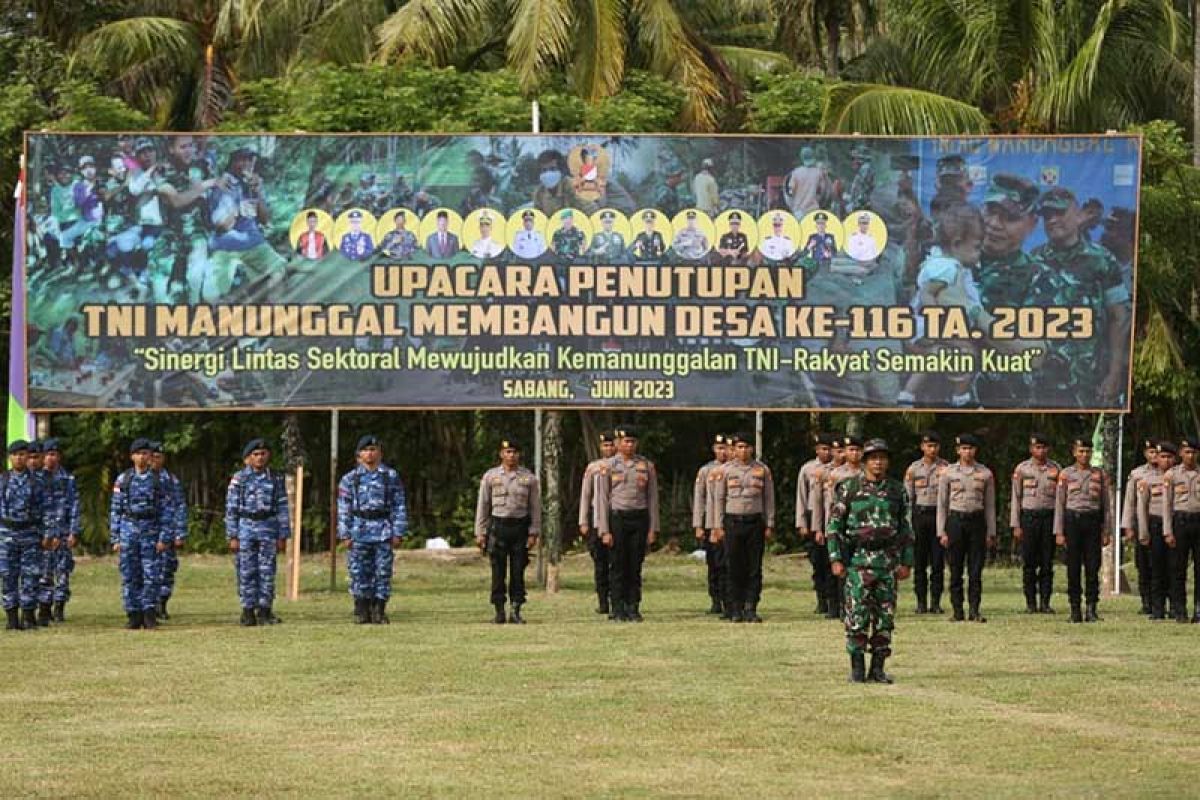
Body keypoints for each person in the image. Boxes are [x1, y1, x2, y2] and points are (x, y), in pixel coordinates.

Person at [1032, 186, 1132, 406]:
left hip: (1089, 380)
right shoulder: (1033, 261)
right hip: (1040, 382)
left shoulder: (1102, 260)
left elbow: (1119, 317)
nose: (1053, 220)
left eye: (1060, 213)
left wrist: (1114, 373)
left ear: (1078, 216)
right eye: (1047, 215)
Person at [827, 438, 912, 684]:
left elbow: (906, 529)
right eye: (873, 458)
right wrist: (835, 558)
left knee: (885, 618)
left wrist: (906, 562)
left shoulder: (897, 490)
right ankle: (856, 668)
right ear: (864, 461)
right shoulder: (849, 488)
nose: (878, 462)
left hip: (887, 562)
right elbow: (834, 527)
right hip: (858, 560)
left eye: (882, 458)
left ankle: (878, 668)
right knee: (857, 615)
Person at [898, 203, 986, 408]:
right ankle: (960, 398)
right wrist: (937, 321)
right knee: (967, 353)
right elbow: (927, 292)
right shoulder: (948, 268)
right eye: (976, 247)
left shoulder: (948, 264)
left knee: (936, 357)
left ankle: (907, 395)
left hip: (939, 325)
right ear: (956, 244)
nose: (979, 253)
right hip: (935, 325)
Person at [337, 435, 408, 624]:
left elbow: (399, 505)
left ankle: (379, 609)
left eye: (373, 449)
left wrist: (398, 531)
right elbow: (344, 507)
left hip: (383, 529)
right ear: (359, 454)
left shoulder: (390, 476)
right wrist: (344, 533)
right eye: (366, 450)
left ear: (380, 453)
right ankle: (361, 609)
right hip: (359, 529)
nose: (370, 453)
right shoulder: (350, 479)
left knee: (382, 571)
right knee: (358, 571)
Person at [594, 426, 659, 622]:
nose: (628, 445)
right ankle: (617, 607)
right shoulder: (608, 467)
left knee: (635, 565)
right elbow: (602, 499)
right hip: (617, 519)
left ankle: (633, 606)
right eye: (624, 441)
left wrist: (653, 528)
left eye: (632, 441)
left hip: (639, 519)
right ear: (617, 444)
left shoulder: (646, 466)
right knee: (617, 565)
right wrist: (604, 529)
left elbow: (653, 498)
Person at [109, 438, 175, 630]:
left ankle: (149, 612)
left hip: (151, 530)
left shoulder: (160, 479)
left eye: (146, 453)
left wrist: (164, 537)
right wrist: (116, 538)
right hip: (129, 530)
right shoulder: (124, 479)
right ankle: (133, 613)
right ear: (132, 457)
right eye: (138, 453)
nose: (142, 457)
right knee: (130, 574)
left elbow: (167, 509)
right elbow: (116, 510)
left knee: (151, 574)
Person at [709, 433, 775, 623]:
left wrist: (769, 523)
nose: (743, 450)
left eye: (746, 447)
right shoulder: (725, 470)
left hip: (755, 523)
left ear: (752, 449)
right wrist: (717, 526)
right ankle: (735, 607)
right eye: (739, 447)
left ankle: (750, 606)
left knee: (754, 567)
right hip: (732, 522)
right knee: (733, 566)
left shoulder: (762, 470)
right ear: (734, 449)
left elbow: (769, 499)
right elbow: (719, 499)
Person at [224, 438, 290, 627]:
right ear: (248, 458)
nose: (260, 458)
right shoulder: (240, 479)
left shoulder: (275, 478)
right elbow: (231, 508)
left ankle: (265, 610)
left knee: (267, 571)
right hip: (246, 528)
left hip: (268, 528)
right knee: (246, 571)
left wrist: (283, 534)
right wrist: (232, 535)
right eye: (255, 455)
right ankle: (247, 611)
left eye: (263, 454)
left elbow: (282, 507)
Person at [474, 440, 540, 624]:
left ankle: (516, 610)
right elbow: (483, 506)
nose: (511, 455)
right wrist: (480, 532)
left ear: (519, 455)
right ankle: (499, 610)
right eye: (508, 452)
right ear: (501, 454)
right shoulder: (490, 477)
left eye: (514, 452)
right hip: (498, 527)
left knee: (518, 571)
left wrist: (534, 532)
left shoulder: (529, 478)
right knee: (498, 571)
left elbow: (535, 507)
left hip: (520, 528)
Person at [207, 147, 287, 298]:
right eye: (242, 160)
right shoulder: (224, 184)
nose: (246, 164)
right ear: (232, 162)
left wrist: (257, 192)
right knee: (220, 293)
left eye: (249, 160)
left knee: (279, 270)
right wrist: (238, 210)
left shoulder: (253, 182)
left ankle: (270, 312)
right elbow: (221, 226)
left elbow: (265, 219)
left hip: (253, 242)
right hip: (227, 246)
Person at [936, 434, 996, 623]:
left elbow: (990, 505)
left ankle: (974, 610)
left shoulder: (985, 473)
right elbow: (942, 504)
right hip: (955, 522)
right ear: (957, 450)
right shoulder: (947, 473)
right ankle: (957, 611)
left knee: (975, 570)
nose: (967, 452)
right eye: (963, 448)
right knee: (955, 569)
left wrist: (991, 531)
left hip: (977, 522)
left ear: (975, 450)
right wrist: (941, 531)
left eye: (970, 448)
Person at [1053, 437, 1113, 623]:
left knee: (1092, 567)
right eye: (1081, 451)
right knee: (1073, 568)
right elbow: (1059, 504)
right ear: (1074, 452)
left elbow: (1106, 505)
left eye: (1087, 451)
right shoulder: (1065, 474)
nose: (1084, 455)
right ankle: (1074, 609)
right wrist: (1059, 532)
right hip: (1072, 521)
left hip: (1093, 522)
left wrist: (1107, 531)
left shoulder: (1100, 475)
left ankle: (1091, 608)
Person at [1011, 434, 1062, 614]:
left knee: (1047, 563)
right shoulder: (1022, 469)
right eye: (1037, 447)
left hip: (1048, 518)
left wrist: (1059, 527)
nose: (1041, 451)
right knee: (1029, 563)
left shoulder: (1056, 469)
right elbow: (1016, 498)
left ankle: (1045, 602)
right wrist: (1016, 525)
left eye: (1044, 447)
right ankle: (1030, 603)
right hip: (1029, 519)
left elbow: (1060, 501)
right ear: (1031, 449)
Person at [1, 441, 47, 631]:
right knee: (8, 575)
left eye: (23, 454)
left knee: (30, 575)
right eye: (15, 455)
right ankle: (12, 617)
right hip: (7, 534)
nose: (19, 458)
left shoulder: (37, 482)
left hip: (30, 533)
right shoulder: (3, 480)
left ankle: (28, 615)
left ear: (28, 457)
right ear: (10, 457)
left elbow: (46, 510)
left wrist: (47, 533)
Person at [818, 436, 865, 618]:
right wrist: (827, 528)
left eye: (857, 450)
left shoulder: (866, 473)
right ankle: (838, 606)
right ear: (844, 452)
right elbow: (829, 503)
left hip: (863, 527)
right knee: (840, 568)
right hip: (843, 527)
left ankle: (857, 605)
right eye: (851, 450)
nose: (854, 453)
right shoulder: (836, 475)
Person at [905, 432, 948, 614]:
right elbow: (908, 499)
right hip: (919, 516)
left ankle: (936, 602)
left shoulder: (946, 468)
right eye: (928, 445)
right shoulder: (913, 469)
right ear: (922, 447)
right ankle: (921, 602)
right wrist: (907, 525)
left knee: (938, 563)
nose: (932, 449)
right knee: (920, 562)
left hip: (939, 517)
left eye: (935, 446)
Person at [38, 438, 79, 623]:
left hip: (63, 532)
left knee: (63, 572)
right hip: (44, 535)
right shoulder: (37, 479)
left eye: (53, 454)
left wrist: (73, 532)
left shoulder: (68, 479)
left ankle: (60, 608)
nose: (50, 458)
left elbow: (75, 506)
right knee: (44, 572)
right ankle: (44, 608)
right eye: (47, 454)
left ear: (59, 457)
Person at [796, 432, 837, 616]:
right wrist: (802, 523)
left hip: (833, 517)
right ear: (817, 449)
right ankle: (821, 600)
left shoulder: (838, 470)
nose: (827, 452)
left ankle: (834, 600)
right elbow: (802, 497)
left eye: (830, 449)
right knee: (818, 563)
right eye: (823, 449)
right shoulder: (808, 469)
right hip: (814, 517)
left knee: (833, 563)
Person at [1137, 442, 1177, 620]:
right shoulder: (1147, 480)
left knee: (1175, 568)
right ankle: (1157, 608)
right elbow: (1141, 508)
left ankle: (1176, 606)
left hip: (1177, 526)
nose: (1165, 460)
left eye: (1169, 457)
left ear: (1174, 459)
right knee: (1156, 568)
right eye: (1162, 456)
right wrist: (1143, 532)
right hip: (1155, 524)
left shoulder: (1180, 476)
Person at [693, 434, 731, 617]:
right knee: (714, 564)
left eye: (725, 447)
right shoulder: (705, 471)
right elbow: (699, 499)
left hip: (730, 523)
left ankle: (729, 600)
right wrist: (698, 525)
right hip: (710, 523)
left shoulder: (733, 470)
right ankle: (716, 600)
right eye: (719, 448)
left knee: (729, 564)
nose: (722, 451)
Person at [579, 432, 617, 616]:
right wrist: (583, 520)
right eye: (605, 446)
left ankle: (617, 598)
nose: (608, 449)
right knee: (600, 562)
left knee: (617, 561)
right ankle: (603, 601)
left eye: (611, 445)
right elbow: (586, 495)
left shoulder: (621, 466)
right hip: (596, 517)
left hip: (616, 515)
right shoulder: (593, 468)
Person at [1163, 437, 1200, 624]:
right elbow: (1166, 505)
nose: (1190, 456)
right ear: (1180, 453)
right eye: (1187, 452)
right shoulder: (1172, 475)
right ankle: (1180, 609)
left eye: (1194, 452)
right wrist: (1168, 531)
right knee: (1178, 569)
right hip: (1180, 522)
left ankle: (1199, 610)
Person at [150, 442, 188, 620]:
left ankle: (162, 604)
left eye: (158, 457)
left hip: (167, 531)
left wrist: (180, 532)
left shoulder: (171, 480)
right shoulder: (137, 478)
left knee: (167, 568)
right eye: (152, 457)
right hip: (145, 531)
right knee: (147, 569)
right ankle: (147, 605)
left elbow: (179, 506)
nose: (155, 461)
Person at [1122, 439, 1159, 614]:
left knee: (1161, 564)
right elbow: (1129, 502)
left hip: (1162, 523)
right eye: (1151, 452)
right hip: (1142, 524)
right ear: (1145, 454)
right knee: (1143, 564)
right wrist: (1127, 526)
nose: (1155, 456)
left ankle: (1160, 600)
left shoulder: (1168, 473)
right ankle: (1146, 602)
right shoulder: (1137, 474)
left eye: (1157, 452)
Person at [786, 146, 831, 218]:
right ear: (813, 157)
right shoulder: (818, 173)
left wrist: (792, 205)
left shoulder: (795, 173)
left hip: (798, 211)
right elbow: (822, 191)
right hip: (813, 210)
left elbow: (790, 192)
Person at [846, 144, 875, 211]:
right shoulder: (862, 170)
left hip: (860, 203)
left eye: (854, 159)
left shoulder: (865, 168)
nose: (852, 162)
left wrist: (854, 202)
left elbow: (863, 187)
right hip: (860, 201)